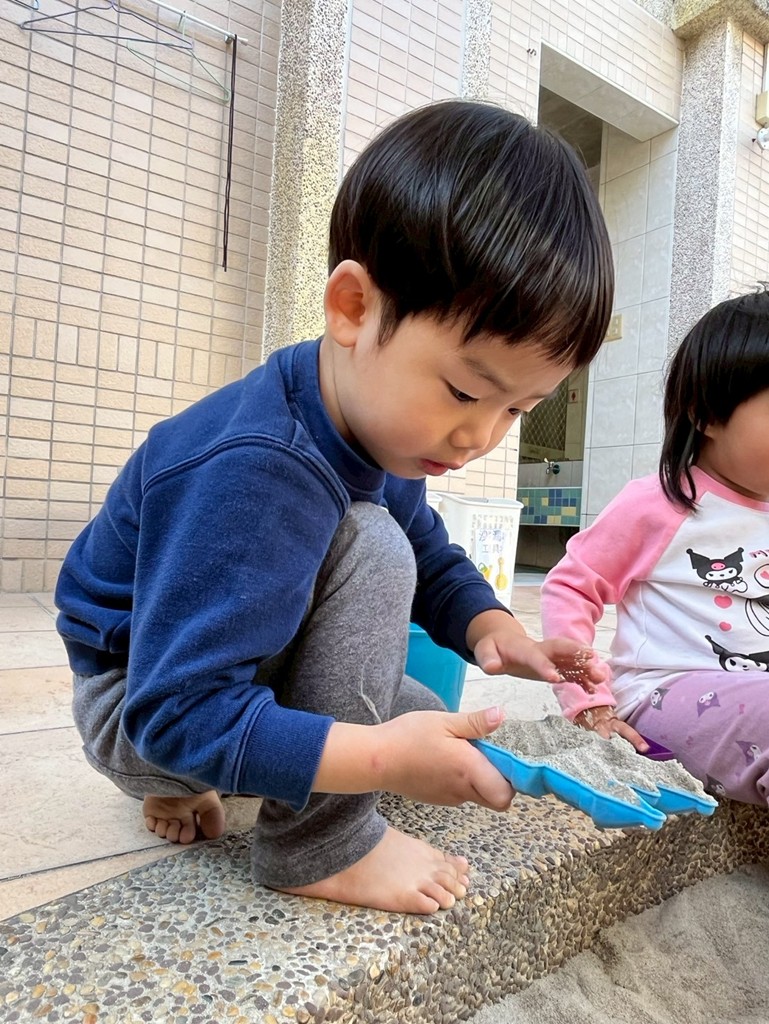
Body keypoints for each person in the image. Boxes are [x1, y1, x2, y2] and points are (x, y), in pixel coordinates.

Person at [55, 99, 614, 916]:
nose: (479, 437)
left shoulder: (377, 426)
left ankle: (205, 788)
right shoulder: (258, 467)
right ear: (352, 307)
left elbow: (431, 551)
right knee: (373, 556)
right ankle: (317, 845)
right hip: (140, 706)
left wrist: (495, 630)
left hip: (208, 679)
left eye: (517, 411)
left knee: (426, 714)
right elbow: (172, 712)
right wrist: (378, 761)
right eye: (466, 392)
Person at [542, 290, 769, 809]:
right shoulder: (662, 504)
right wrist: (588, 701)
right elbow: (571, 588)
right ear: (707, 414)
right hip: (664, 695)